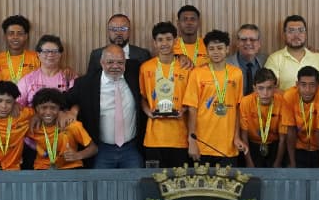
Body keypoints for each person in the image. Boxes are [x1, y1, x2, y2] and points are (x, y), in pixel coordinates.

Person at [67, 44, 147, 169]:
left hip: (131, 149)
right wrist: (71, 110)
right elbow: (63, 100)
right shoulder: (86, 83)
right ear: (102, 62)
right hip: (101, 150)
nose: (115, 66)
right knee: (100, 186)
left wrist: (180, 57)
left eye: (120, 62)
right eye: (110, 62)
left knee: (135, 185)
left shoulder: (134, 73)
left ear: (126, 62)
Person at [182, 29, 247, 166]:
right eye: (211, 49)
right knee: (202, 187)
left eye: (220, 48)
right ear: (206, 51)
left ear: (227, 49)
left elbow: (238, 107)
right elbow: (192, 109)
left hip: (228, 146)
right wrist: (192, 140)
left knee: (226, 186)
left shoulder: (237, 74)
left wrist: (237, 137)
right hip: (202, 144)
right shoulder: (197, 73)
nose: (216, 52)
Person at [138, 21, 192, 168]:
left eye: (169, 39)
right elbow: (142, 97)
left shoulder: (186, 67)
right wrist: (147, 111)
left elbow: (192, 99)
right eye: (160, 40)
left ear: (175, 41)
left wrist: (184, 109)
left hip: (179, 137)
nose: (165, 43)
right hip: (153, 138)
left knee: (178, 183)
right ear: (154, 43)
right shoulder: (146, 67)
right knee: (154, 183)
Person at [27, 88, 96, 169]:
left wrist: (78, 155)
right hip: (42, 168)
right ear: (37, 109)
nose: (48, 112)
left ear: (59, 109)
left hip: (70, 167)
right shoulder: (33, 125)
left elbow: (94, 148)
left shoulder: (72, 126)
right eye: (44, 108)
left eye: (53, 108)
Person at [280, 65, 319, 167]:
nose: (307, 90)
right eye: (303, 85)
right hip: (300, 147)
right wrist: (292, 162)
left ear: (318, 85)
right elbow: (291, 130)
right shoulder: (289, 96)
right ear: (297, 84)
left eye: (312, 85)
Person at [264, 14, 319, 90]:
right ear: (284, 34)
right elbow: (269, 89)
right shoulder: (274, 59)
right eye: (291, 31)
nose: (296, 35)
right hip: (284, 101)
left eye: (301, 30)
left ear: (306, 34)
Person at [239, 68, 285, 168]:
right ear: (254, 88)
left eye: (269, 88)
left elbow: (283, 138)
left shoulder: (282, 101)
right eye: (261, 88)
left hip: (274, 146)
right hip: (251, 146)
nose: (265, 93)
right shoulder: (245, 102)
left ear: (275, 88)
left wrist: (277, 162)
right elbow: (244, 135)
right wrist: (249, 162)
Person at [17, 34, 77, 107]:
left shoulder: (70, 76)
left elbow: (78, 102)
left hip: (62, 117)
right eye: (45, 51)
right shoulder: (28, 79)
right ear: (38, 54)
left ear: (60, 54)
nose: (50, 54)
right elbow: (17, 105)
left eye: (55, 51)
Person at [85, 13, 152, 76]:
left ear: (129, 31)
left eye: (123, 28)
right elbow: (90, 83)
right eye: (114, 29)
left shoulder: (143, 55)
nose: (118, 33)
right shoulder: (96, 55)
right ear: (108, 31)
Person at [0, 15, 40, 84]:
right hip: (4, 94)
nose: (15, 37)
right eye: (11, 33)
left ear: (26, 36)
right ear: (5, 36)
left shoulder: (36, 58)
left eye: (20, 33)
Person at [226, 24, 264, 92]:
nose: (248, 43)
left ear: (259, 44)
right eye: (243, 39)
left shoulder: (266, 61)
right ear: (237, 43)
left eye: (252, 39)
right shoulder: (226, 64)